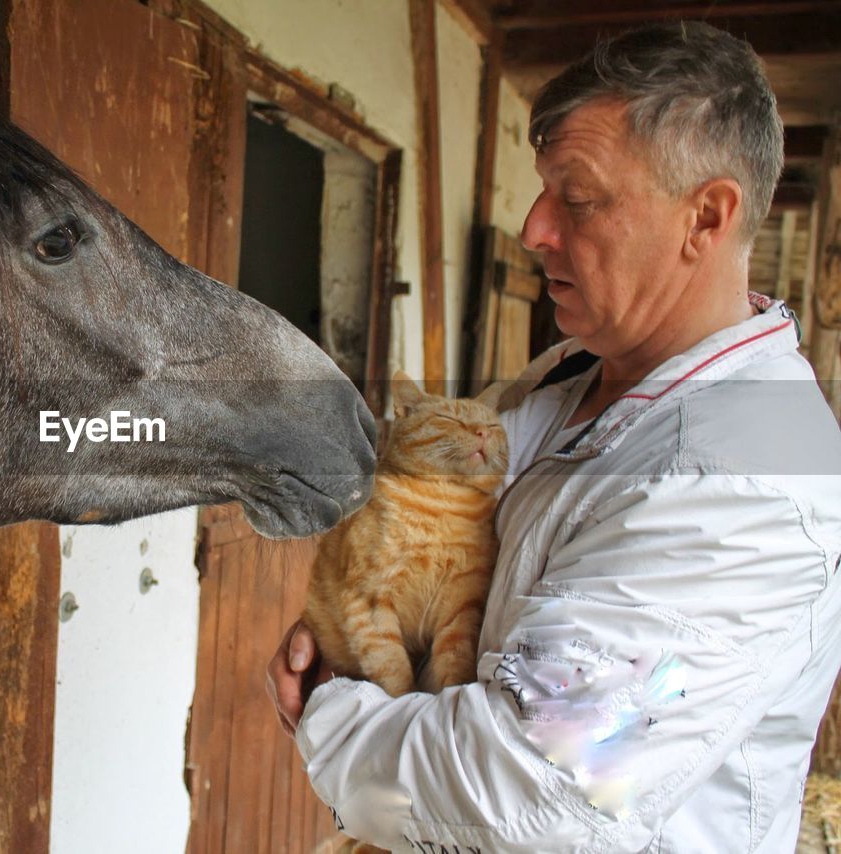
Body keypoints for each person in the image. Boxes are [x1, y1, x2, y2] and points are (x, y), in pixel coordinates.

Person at [267, 21, 841, 852]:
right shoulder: (568, 373)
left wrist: (329, 715)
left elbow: (540, 792)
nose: (535, 228)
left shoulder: (743, 479)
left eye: (577, 198)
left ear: (706, 219)